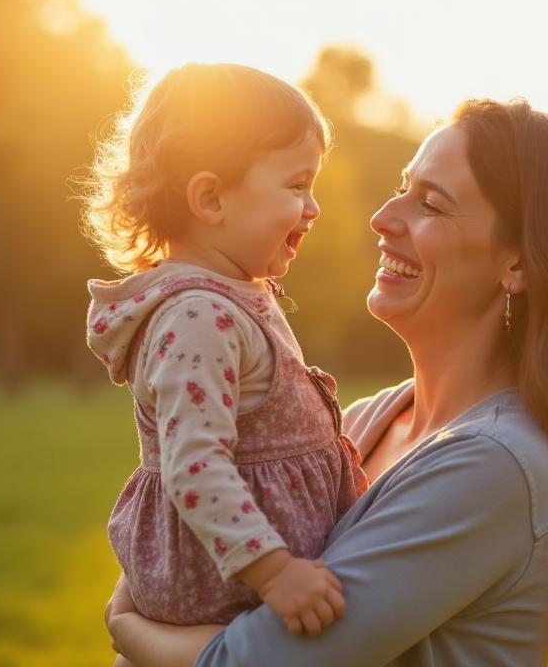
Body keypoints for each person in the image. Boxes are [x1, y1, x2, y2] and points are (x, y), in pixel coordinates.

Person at [106, 97, 548, 667]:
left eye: (431, 204)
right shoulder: (361, 421)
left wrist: (129, 627)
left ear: (520, 263)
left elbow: (257, 660)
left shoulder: (494, 465)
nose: (382, 218)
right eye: (402, 186)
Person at [82, 62, 368, 651]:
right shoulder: (197, 317)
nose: (312, 207)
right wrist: (274, 572)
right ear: (210, 197)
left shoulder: (236, 297)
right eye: (296, 186)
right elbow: (195, 464)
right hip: (226, 592)